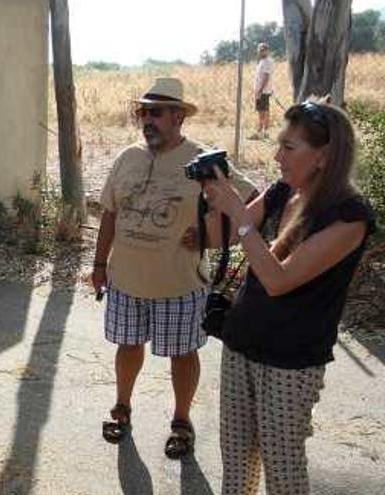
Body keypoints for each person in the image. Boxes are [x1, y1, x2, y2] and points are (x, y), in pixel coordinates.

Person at [204, 99, 376, 494]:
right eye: (279, 144)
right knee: (237, 464)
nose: (277, 156)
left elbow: (279, 279)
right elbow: (223, 237)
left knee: (282, 471)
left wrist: (242, 218)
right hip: (241, 341)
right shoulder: (284, 191)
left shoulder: (350, 215)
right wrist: (214, 200)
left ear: (324, 156)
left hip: (291, 360)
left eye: (289, 147)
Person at [90, 77, 256, 459]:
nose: (147, 119)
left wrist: (211, 236)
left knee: (183, 354)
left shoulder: (204, 162)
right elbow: (110, 214)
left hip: (180, 285)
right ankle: (122, 408)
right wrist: (99, 265)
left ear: (178, 116)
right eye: (143, 112)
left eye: (157, 112)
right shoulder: (127, 157)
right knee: (127, 346)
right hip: (125, 281)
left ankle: (181, 421)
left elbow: (251, 203)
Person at [250, 42, 275, 140]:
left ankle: (260, 132)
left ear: (267, 51)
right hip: (262, 91)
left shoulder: (267, 62)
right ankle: (264, 132)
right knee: (264, 111)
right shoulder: (262, 61)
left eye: (264, 50)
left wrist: (260, 90)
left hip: (263, 91)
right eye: (260, 50)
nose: (262, 52)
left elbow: (266, 77)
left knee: (262, 112)